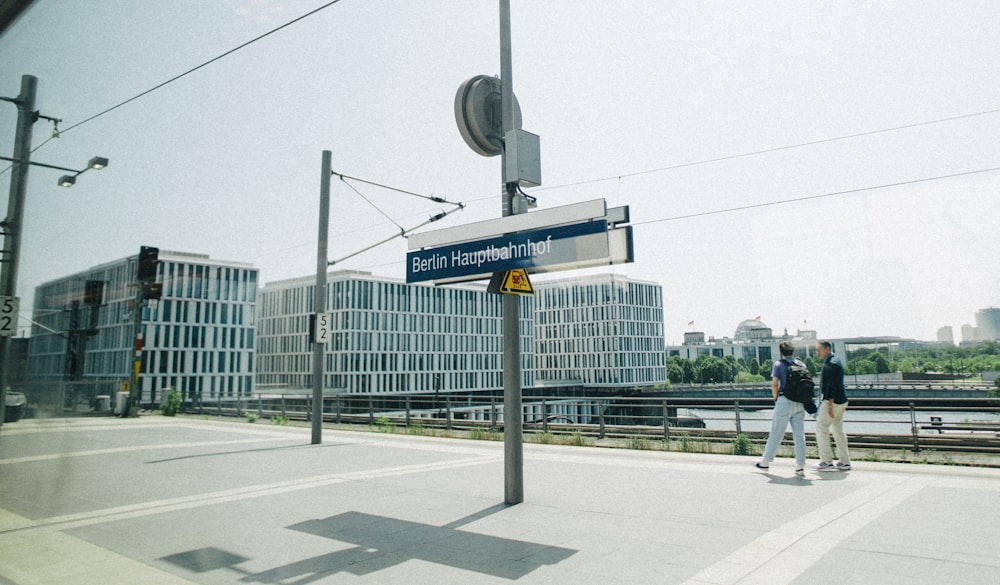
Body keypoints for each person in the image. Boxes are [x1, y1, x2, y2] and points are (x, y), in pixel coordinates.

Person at [756, 341, 806, 476]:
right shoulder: (801, 364)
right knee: (799, 435)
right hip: (800, 402)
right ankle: (800, 465)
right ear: (793, 351)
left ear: (781, 352)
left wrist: (776, 399)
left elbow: (774, 384)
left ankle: (765, 462)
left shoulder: (779, 365)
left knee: (777, 432)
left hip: (785, 400)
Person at [814, 340, 851, 471]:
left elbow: (831, 387)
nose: (817, 352)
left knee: (821, 427)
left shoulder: (831, 364)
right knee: (837, 430)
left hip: (833, 402)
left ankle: (826, 461)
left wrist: (829, 406)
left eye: (819, 350)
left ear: (827, 349)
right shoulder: (836, 361)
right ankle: (844, 461)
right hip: (842, 400)